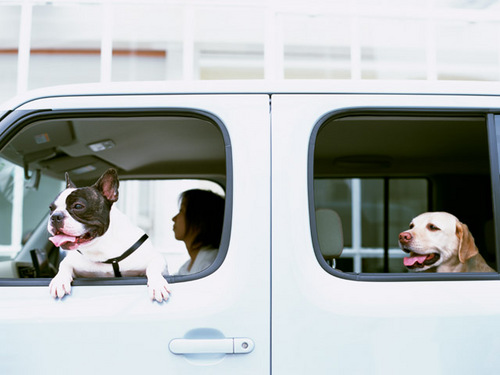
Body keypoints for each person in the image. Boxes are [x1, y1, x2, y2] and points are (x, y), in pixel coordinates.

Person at [173, 189, 225, 275]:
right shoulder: (189, 265)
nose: (174, 218)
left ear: (198, 221)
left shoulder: (210, 264)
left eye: (181, 211)